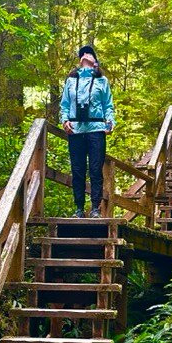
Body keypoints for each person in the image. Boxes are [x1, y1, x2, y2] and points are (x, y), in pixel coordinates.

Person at [59, 45, 116, 218]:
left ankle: (95, 209)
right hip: (76, 130)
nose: (86, 55)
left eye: (89, 54)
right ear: (79, 60)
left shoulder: (102, 81)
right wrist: (65, 120)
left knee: (95, 169)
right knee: (77, 170)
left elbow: (108, 105)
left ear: (95, 62)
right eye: (83, 54)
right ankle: (78, 208)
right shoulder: (71, 81)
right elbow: (65, 105)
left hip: (96, 129)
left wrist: (110, 121)